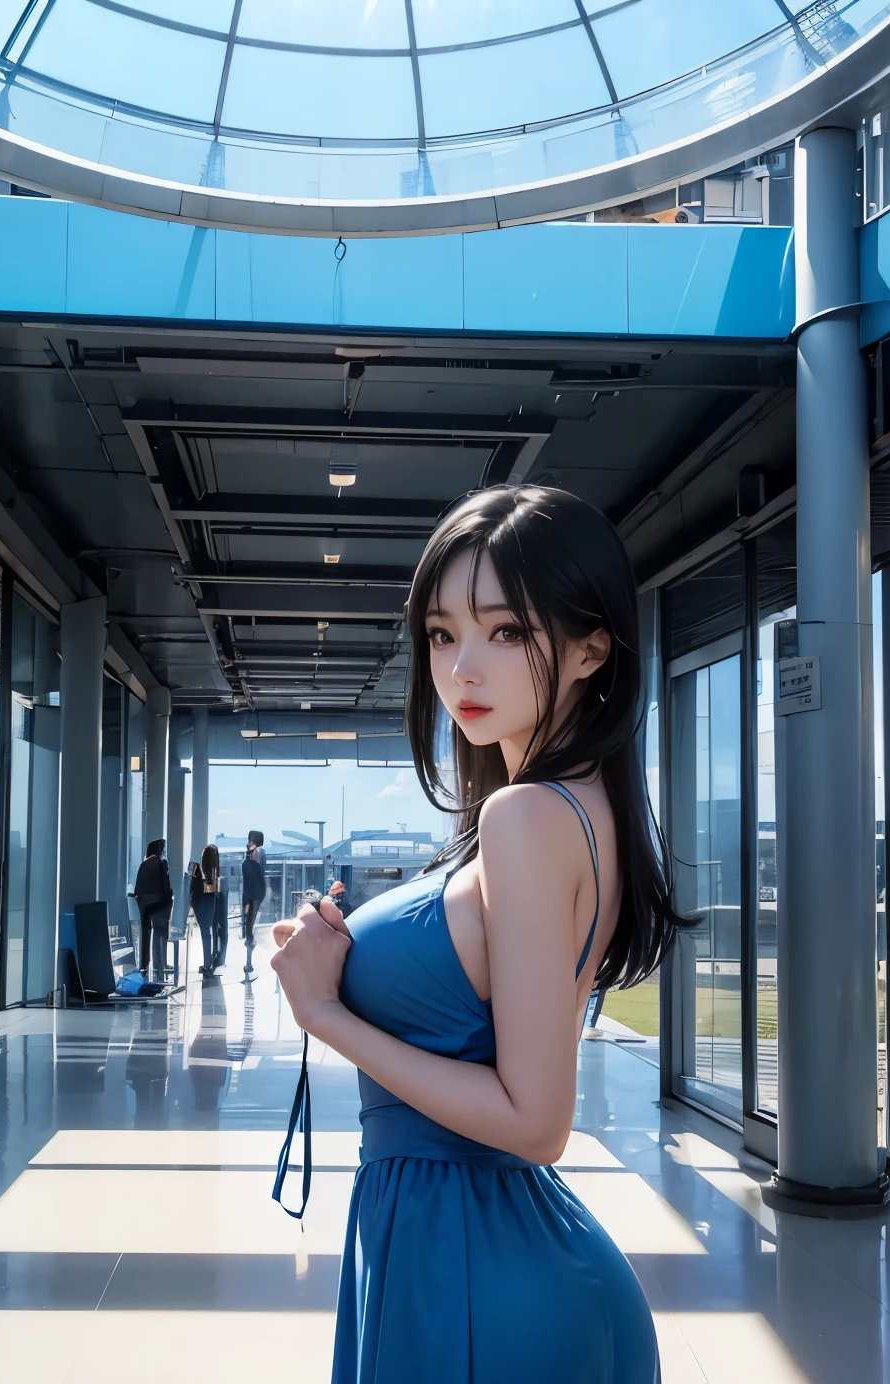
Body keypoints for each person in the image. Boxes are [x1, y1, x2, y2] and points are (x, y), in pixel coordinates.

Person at [271, 485, 682, 1384]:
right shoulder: (578, 808)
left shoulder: (527, 816)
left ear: (589, 649)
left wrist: (326, 1012)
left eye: (505, 632)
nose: (462, 669)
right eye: (442, 633)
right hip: (478, 1251)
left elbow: (536, 1123)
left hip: (477, 1269)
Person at [132, 838, 171, 978]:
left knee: (145, 934)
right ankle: (160, 965)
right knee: (160, 933)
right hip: (160, 904)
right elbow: (166, 885)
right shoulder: (162, 864)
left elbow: (137, 888)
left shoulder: (144, 865)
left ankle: (144, 963)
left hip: (144, 904)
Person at [238, 830, 266, 979]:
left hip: (255, 894)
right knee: (247, 927)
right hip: (250, 893)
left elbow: (256, 870)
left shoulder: (259, 853)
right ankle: (248, 961)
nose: (250, 842)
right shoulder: (250, 854)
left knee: (249, 927)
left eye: (252, 839)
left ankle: (249, 962)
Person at [194, 844, 224, 975]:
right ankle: (210, 962)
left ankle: (207, 964)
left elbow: (194, 890)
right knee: (210, 933)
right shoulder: (215, 872)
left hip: (200, 902)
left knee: (205, 933)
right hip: (210, 902)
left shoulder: (198, 870)